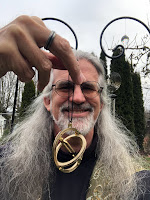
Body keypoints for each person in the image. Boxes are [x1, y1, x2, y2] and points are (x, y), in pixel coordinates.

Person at [0, 15, 150, 200]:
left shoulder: (136, 183)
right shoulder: (7, 166)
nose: (78, 98)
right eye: (65, 87)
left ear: (101, 104)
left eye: (88, 88)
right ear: (48, 102)